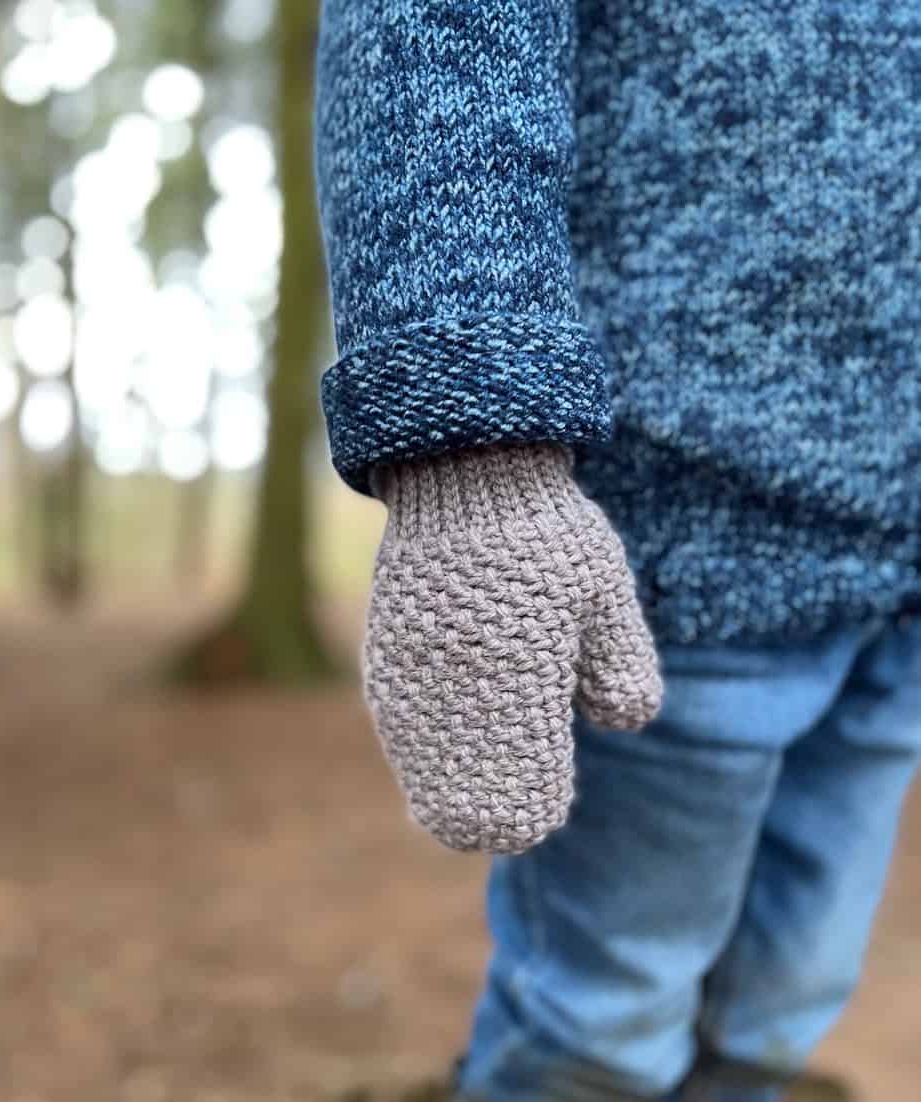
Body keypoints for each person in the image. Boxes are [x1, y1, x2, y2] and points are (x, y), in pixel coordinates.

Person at [313, 3, 921, 1099]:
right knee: (602, 1027)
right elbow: (441, 31)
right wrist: (476, 460)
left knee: (786, 1004)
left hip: (901, 581)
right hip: (678, 554)